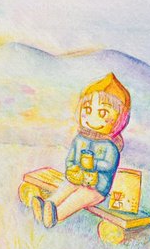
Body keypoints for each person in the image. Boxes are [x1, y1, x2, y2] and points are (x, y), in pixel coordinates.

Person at [32, 72, 131, 228]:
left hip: (97, 187)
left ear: (120, 119)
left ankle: (56, 215)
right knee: (66, 187)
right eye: (88, 110)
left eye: (103, 113)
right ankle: (48, 205)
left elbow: (109, 166)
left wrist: (92, 165)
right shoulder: (80, 139)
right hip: (77, 178)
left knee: (81, 197)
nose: (93, 118)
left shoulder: (110, 146)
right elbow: (71, 158)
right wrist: (72, 168)